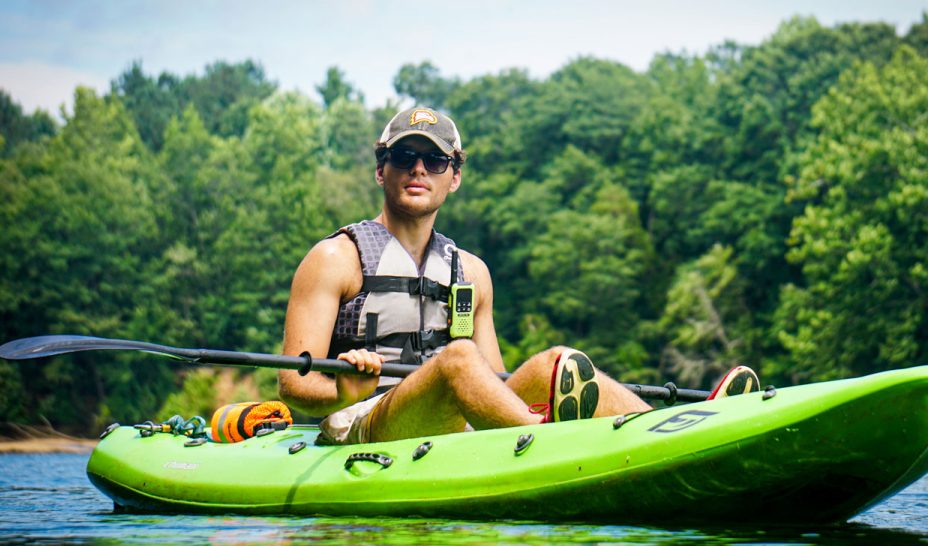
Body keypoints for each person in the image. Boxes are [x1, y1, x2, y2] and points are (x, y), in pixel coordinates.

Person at [278, 108, 759, 444]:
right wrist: (342, 389)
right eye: (404, 158)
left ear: (455, 175)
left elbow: (494, 381)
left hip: (452, 423)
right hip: (366, 420)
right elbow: (292, 386)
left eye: (435, 160)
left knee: (559, 359)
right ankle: (557, 442)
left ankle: (676, 434)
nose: (418, 169)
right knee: (458, 358)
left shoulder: (471, 272)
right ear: (382, 171)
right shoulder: (335, 258)